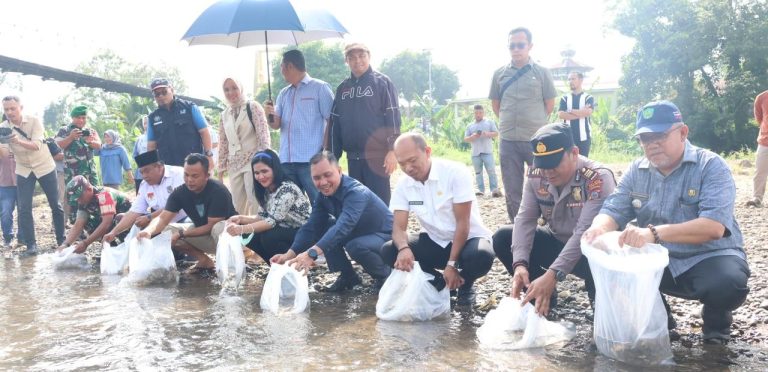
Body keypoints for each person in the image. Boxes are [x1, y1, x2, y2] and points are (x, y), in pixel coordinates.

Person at [583, 101, 751, 345]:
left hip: (707, 256)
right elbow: (613, 208)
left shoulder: (711, 166)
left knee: (727, 283)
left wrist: (654, 233)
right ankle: (663, 322)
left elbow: (714, 227)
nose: (652, 144)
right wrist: (598, 228)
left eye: (660, 135)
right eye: (645, 138)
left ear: (683, 132)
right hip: (660, 259)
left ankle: (717, 325)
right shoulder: (636, 170)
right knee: (604, 256)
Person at [492, 123, 616, 316]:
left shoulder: (597, 178)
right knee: (503, 237)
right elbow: (525, 219)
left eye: (554, 164)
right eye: (543, 166)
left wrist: (553, 275)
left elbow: (584, 232)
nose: (548, 172)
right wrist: (520, 265)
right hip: (558, 241)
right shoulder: (536, 175)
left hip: (593, 252)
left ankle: (602, 305)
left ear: (574, 153)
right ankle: (541, 299)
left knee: (606, 321)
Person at [382, 133, 494, 306]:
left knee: (482, 256)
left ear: (427, 152)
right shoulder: (404, 185)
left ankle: (465, 284)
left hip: (467, 241)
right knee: (390, 250)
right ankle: (439, 282)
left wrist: (452, 264)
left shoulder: (455, 172)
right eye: (402, 163)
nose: (408, 168)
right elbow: (398, 228)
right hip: (436, 241)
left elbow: (463, 224)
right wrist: (404, 247)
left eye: (412, 160)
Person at [271, 151, 392, 291]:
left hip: (386, 237)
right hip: (359, 233)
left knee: (355, 245)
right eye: (316, 178)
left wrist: (312, 253)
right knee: (324, 225)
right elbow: (311, 226)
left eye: (328, 175)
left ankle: (385, 276)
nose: (323, 182)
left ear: (339, 171)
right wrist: (289, 254)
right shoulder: (323, 197)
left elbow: (343, 226)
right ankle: (348, 276)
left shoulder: (356, 192)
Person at [489, 27, 557, 222]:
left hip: (536, 140)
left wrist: (532, 122)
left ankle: (548, 223)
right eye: (512, 46)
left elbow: (549, 105)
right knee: (511, 187)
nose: (516, 49)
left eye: (520, 45)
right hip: (508, 140)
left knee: (544, 183)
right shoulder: (499, 74)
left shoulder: (542, 72)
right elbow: (496, 105)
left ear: (530, 46)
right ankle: (518, 225)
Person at [328, 43, 402, 205]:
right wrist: (331, 157)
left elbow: (393, 116)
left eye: (362, 56)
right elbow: (335, 125)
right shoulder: (342, 88)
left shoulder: (382, 82)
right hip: (353, 159)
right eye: (352, 57)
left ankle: (383, 231)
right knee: (358, 203)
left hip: (378, 158)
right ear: (346, 61)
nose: (357, 61)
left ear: (369, 57)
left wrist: (392, 150)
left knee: (380, 203)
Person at [137, 153, 236, 272]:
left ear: (207, 176)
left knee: (218, 227)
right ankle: (204, 261)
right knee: (167, 230)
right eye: (186, 175)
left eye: (195, 176)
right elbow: (162, 218)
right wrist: (148, 231)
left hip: (229, 237)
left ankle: (232, 262)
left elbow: (211, 227)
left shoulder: (218, 191)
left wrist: (182, 234)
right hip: (203, 234)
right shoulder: (180, 193)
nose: (189, 180)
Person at [264, 50, 334, 203]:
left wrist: (325, 150)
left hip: (311, 159)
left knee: (320, 201)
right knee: (293, 205)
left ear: (289, 66)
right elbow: (276, 125)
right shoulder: (283, 94)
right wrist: (269, 114)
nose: (281, 70)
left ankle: (326, 227)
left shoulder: (320, 88)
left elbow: (332, 120)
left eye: (282, 66)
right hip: (287, 161)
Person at [0, 95, 65, 255]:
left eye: (12, 108)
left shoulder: (34, 121)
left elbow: (36, 145)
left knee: (55, 205)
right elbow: (5, 154)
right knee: (24, 208)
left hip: (44, 166)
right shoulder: (3, 127)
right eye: (6, 109)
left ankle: (62, 240)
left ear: (21, 108)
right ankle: (31, 246)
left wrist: (16, 141)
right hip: (23, 169)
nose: (9, 112)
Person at [226, 149, 311, 263]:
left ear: (275, 170)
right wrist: (240, 219)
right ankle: (274, 266)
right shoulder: (267, 190)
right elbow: (261, 217)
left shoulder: (287, 189)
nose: (261, 176)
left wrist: (241, 229)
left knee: (269, 236)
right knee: (250, 236)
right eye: (257, 173)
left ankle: (291, 266)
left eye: (264, 171)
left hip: (305, 234)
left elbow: (271, 222)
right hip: (286, 230)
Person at [102, 150, 187, 244]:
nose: (144, 176)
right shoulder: (144, 185)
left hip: (184, 218)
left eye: (147, 171)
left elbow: (177, 206)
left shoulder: (178, 175)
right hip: (160, 222)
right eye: (141, 173)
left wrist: (149, 217)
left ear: (159, 167)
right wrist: (113, 232)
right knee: (124, 218)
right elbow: (134, 211)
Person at [218, 77, 271, 215]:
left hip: (253, 160)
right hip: (234, 164)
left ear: (241, 87)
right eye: (227, 90)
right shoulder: (224, 114)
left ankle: (258, 233)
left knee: (255, 200)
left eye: (234, 88)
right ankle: (242, 233)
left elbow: (263, 134)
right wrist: (221, 169)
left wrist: (263, 160)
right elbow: (223, 142)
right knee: (237, 204)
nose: (231, 92)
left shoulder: (252, 106)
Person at [146, 78, 215, 168]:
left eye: (164, 92)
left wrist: (208, 156)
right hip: (169, 168)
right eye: (157, 94)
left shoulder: (189, 107)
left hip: (194, 164)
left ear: (172, 90)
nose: (161, 96)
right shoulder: (152, 118)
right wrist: (153, 167)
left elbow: (204, 132)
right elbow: (151, 146)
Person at [57, 175, 132, 253]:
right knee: (90, 223)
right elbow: (78, 224)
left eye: (80, 197)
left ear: (89, 189)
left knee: (119, 219)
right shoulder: (83, 201)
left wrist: (85, 243)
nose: (78, 201)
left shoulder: (104, 195)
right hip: (112, 219)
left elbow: (106, 223)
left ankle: (128, 248)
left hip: (131, 220)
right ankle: (111, 250)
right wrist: (65, 244)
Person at [55, 105, 101, 187]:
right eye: (78, 118)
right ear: (73, 118)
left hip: (90, 175)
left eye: (83, 118)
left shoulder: (90, 131)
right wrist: (70, 137)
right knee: (75, 198)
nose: (81, 120)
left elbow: (99, 145)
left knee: (95, 197)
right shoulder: (64, 130)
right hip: (73, 174)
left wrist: (90, 142)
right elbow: (58, 146)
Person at [463, 105, 502, 197]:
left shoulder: (489, 122)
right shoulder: (470, 126)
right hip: (475, 153)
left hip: (487, 151)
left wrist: (486, 133)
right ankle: (480, 190)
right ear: (474, 113)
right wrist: (472, 137)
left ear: (483, 113)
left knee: (491, 171)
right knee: (478, 172)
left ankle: (494, 190)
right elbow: (465, 139)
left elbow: (496, 133)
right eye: (476, 113)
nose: (478, 115)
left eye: (480, 113)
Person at [557, 72, 596, 157]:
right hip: (567, 137)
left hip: (584, 138)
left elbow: (588, 112)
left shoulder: (588, 98)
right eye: (569, 79)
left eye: (573, 79)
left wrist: (570, 110)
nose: (570, 81)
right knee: (568, 164)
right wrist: (581, 113)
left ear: (581, 80)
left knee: (582, 165)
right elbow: (561, 115)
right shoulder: (565, 98)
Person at [747, 89, 768, 207]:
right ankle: (757, 198)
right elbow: (759, 119)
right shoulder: (761, 97)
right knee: (760, 170)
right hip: (765, 141)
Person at [0, 153, 17, 248]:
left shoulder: (21, 140)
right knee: (5, 212)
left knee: (24, 211)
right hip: (4, 184)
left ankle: (23, 238)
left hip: (23, 182)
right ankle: (8, 237)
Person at [132, 116, 149, 193]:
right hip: (141, 173)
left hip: (155, 172)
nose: (147, 125)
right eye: (145, 123)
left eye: (149, 123)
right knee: (140, 193)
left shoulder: (158, 137)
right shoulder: (139, 139)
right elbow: (135, 155)